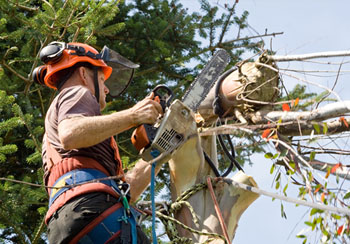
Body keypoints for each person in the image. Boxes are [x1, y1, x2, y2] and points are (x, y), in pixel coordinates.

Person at [35, 42, 164, 243]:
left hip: (64, 225)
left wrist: (160, 150)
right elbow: (70, 134)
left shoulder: (61, 143)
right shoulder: (76, 92)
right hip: (93, 212)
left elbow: (126, 193)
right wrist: (134, 115)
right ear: (84, 74)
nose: (105, 89)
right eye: (103, 79)